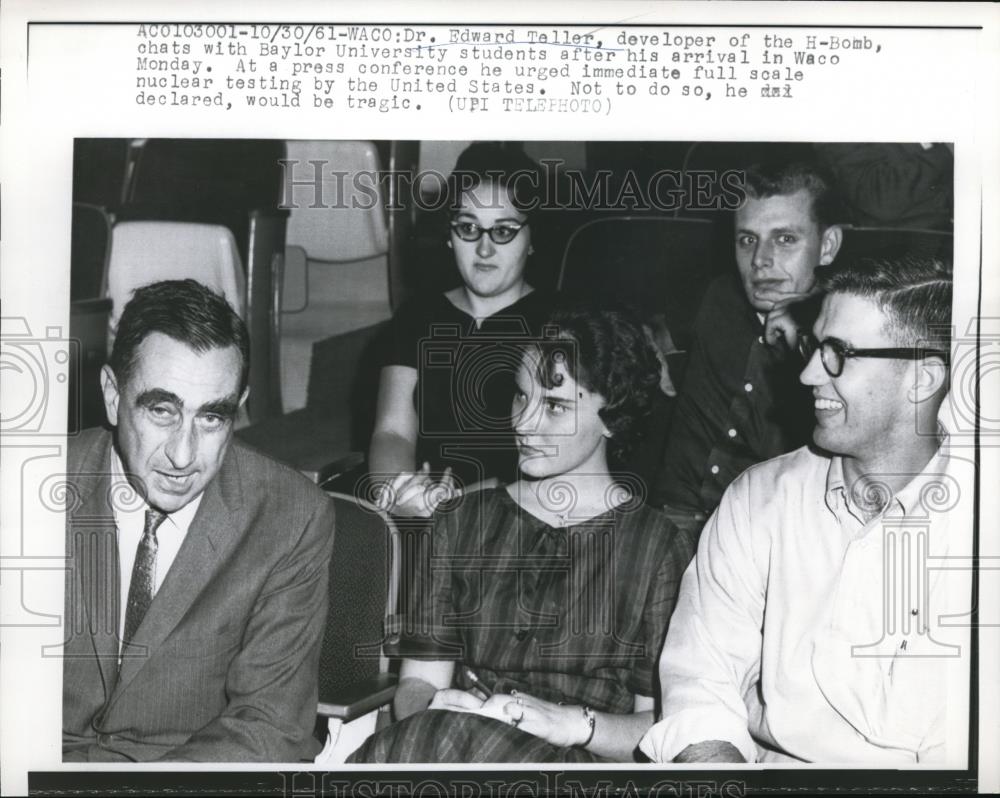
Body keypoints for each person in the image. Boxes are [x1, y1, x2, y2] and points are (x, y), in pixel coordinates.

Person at [640, 256, 972, 765]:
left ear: (923, 378)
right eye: (814, 346)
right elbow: (700, 681)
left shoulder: (978, 526)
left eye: (839, 353)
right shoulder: (760, 498)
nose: (809, 373)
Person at [349, 307, 697, 763]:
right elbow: (419, 681)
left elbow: (659, 728)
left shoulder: (658, 548)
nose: (524, 422)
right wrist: (436, 703)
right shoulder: (461, 521)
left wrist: (570, 724)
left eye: (554, 406)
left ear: (614, 417)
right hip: (451, 741)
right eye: (520, 396)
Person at [62, 279, 336, 762]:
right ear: (111, 394)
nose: (183, 455)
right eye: (162, 410)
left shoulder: (291, 516)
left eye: (212, 417)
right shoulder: (25, 485)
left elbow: (271, 726)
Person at [652, 160, 844, 538]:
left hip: (765, 532)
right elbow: (649, 325)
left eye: (785, 239)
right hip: (671, 517)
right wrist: (651, 349)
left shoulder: (845, 336)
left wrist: (803, 343)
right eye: (747, 239)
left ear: (828, 246)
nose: (760, 260)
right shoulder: (717, 296)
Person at [369, 142, 555, 518]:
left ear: (532, 239)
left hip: (522, 517)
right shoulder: (417, 316)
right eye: (469, 228)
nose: (484, 249)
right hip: (425, 507)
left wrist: (469, 503)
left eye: (503, 231)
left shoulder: (560, 322)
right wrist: (400, 490)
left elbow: (562, 454)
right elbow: (392, 432)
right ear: (449, 234)